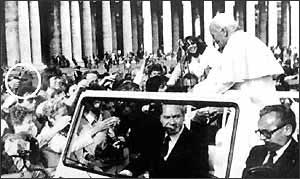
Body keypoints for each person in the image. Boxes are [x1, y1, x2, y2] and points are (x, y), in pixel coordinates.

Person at [192, 13, 284, 107]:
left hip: (253, 106)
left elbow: (224, 81)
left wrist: (197, 92)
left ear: (224, 31)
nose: (214, 40)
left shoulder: (234, 43)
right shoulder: (249, 38)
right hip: (266, 105)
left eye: (213, 35)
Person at [119, 104, 208, 178]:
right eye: (167, 117)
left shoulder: (197, 142)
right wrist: (128, 171)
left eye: (176, 117)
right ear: (160, 119)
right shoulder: (156, 137)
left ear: (183, 117)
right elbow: (144, 159)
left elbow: (199, 175)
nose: (172, 122)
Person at [242, 105, 299, 178]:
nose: (262, 138)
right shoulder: (256, 152)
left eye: (267, 133)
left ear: (287, 130)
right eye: (260, 132)